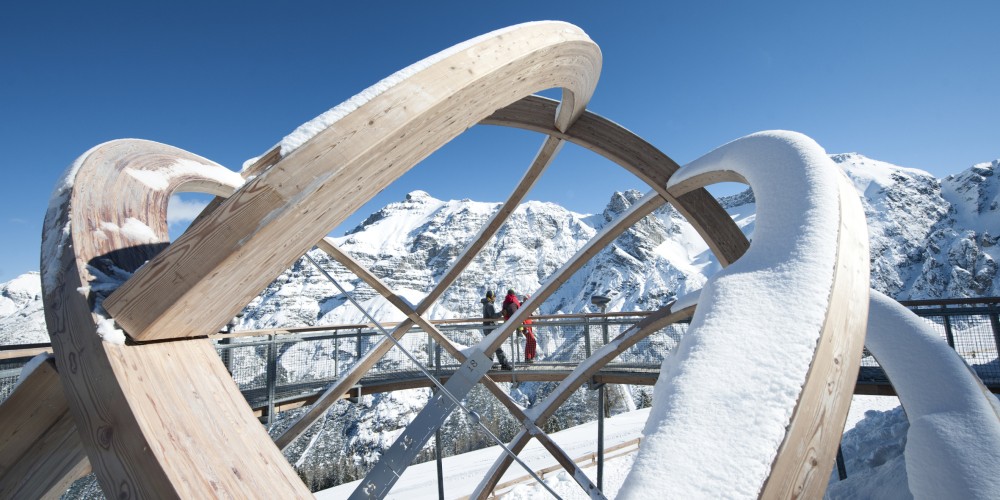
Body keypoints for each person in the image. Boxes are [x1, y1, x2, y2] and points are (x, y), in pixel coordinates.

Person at [481, 290, 512, 370]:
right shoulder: (489, 305)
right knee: (497, 346)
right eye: (494, 297)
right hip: (490, 328)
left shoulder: (486, 304)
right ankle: (504, 364)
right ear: (491, 297)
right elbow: (493, 316)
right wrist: (502, 313)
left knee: (491, 346)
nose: (495, 298)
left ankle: (489, 364)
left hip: (487, 328)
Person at [520, 294, 537, 362]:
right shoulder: (521, 307)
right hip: (525, 327)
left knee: (529, 341)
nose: (525, 301)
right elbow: (521, 317)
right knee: (532, 341)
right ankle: (530, 358)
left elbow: (531, 315)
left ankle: (528, 358)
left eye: (527, 299)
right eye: (525, 299)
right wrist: (524, 326)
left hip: (528, 327)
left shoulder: (527, 308)